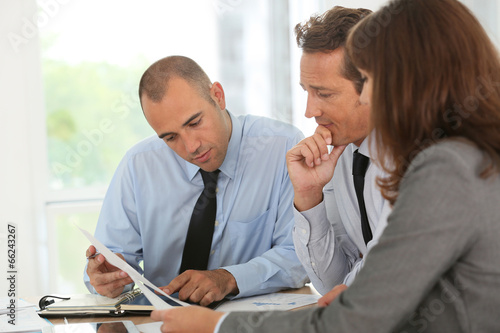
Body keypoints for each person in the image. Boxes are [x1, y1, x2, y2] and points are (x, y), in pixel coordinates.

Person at [151, 0, 500, 331]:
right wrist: (309, 198)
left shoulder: (446, 168)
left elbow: (355, 321)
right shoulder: (461, 157)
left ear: (412, 81)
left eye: (371, 81)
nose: (367, 97)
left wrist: (218, 327)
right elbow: (355, 295)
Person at [84, 55, 308, 306]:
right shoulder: (139, 165)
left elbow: (300, 256)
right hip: (161, 321)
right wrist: (105, 277)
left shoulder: (282, 148)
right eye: (170, 137)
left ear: (218, 96)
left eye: (195, 122)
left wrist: (229, 278)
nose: (191, 147)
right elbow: (112, 257)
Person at [289, 6, 391, 296]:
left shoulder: (420, 155)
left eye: (324, 93)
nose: (310, 111)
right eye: (306, 91)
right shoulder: (340, 155)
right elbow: (332, 284)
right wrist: (309, 197)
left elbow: (383, 275)